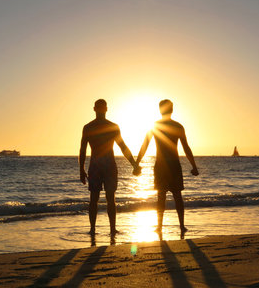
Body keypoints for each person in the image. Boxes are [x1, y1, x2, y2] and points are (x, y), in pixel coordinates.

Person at [136, 99, 199, 234]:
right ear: (172, 110)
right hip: (173, 164)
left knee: (162, 196)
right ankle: (180, 225)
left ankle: (161, 226)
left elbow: (145, 145)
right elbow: (186, 147)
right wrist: (193, 165)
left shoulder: (156, 125)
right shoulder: (177, 126)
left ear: (160, 110)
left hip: (162, 165)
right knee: (176, 196)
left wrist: (137, 163)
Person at [79, 99, 141, 236]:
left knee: (103, 198)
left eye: (102, 108)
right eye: (100, 108)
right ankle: (99, 229)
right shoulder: (90, 127)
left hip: (103, 165)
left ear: (104, 109)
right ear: (95, 109)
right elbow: (82, 150)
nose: (101, 111)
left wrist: (134, 163)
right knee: (100, 198)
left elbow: (123, 147)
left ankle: (106, 229)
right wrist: (81, 170)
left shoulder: (97, 127)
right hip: (102, 165)